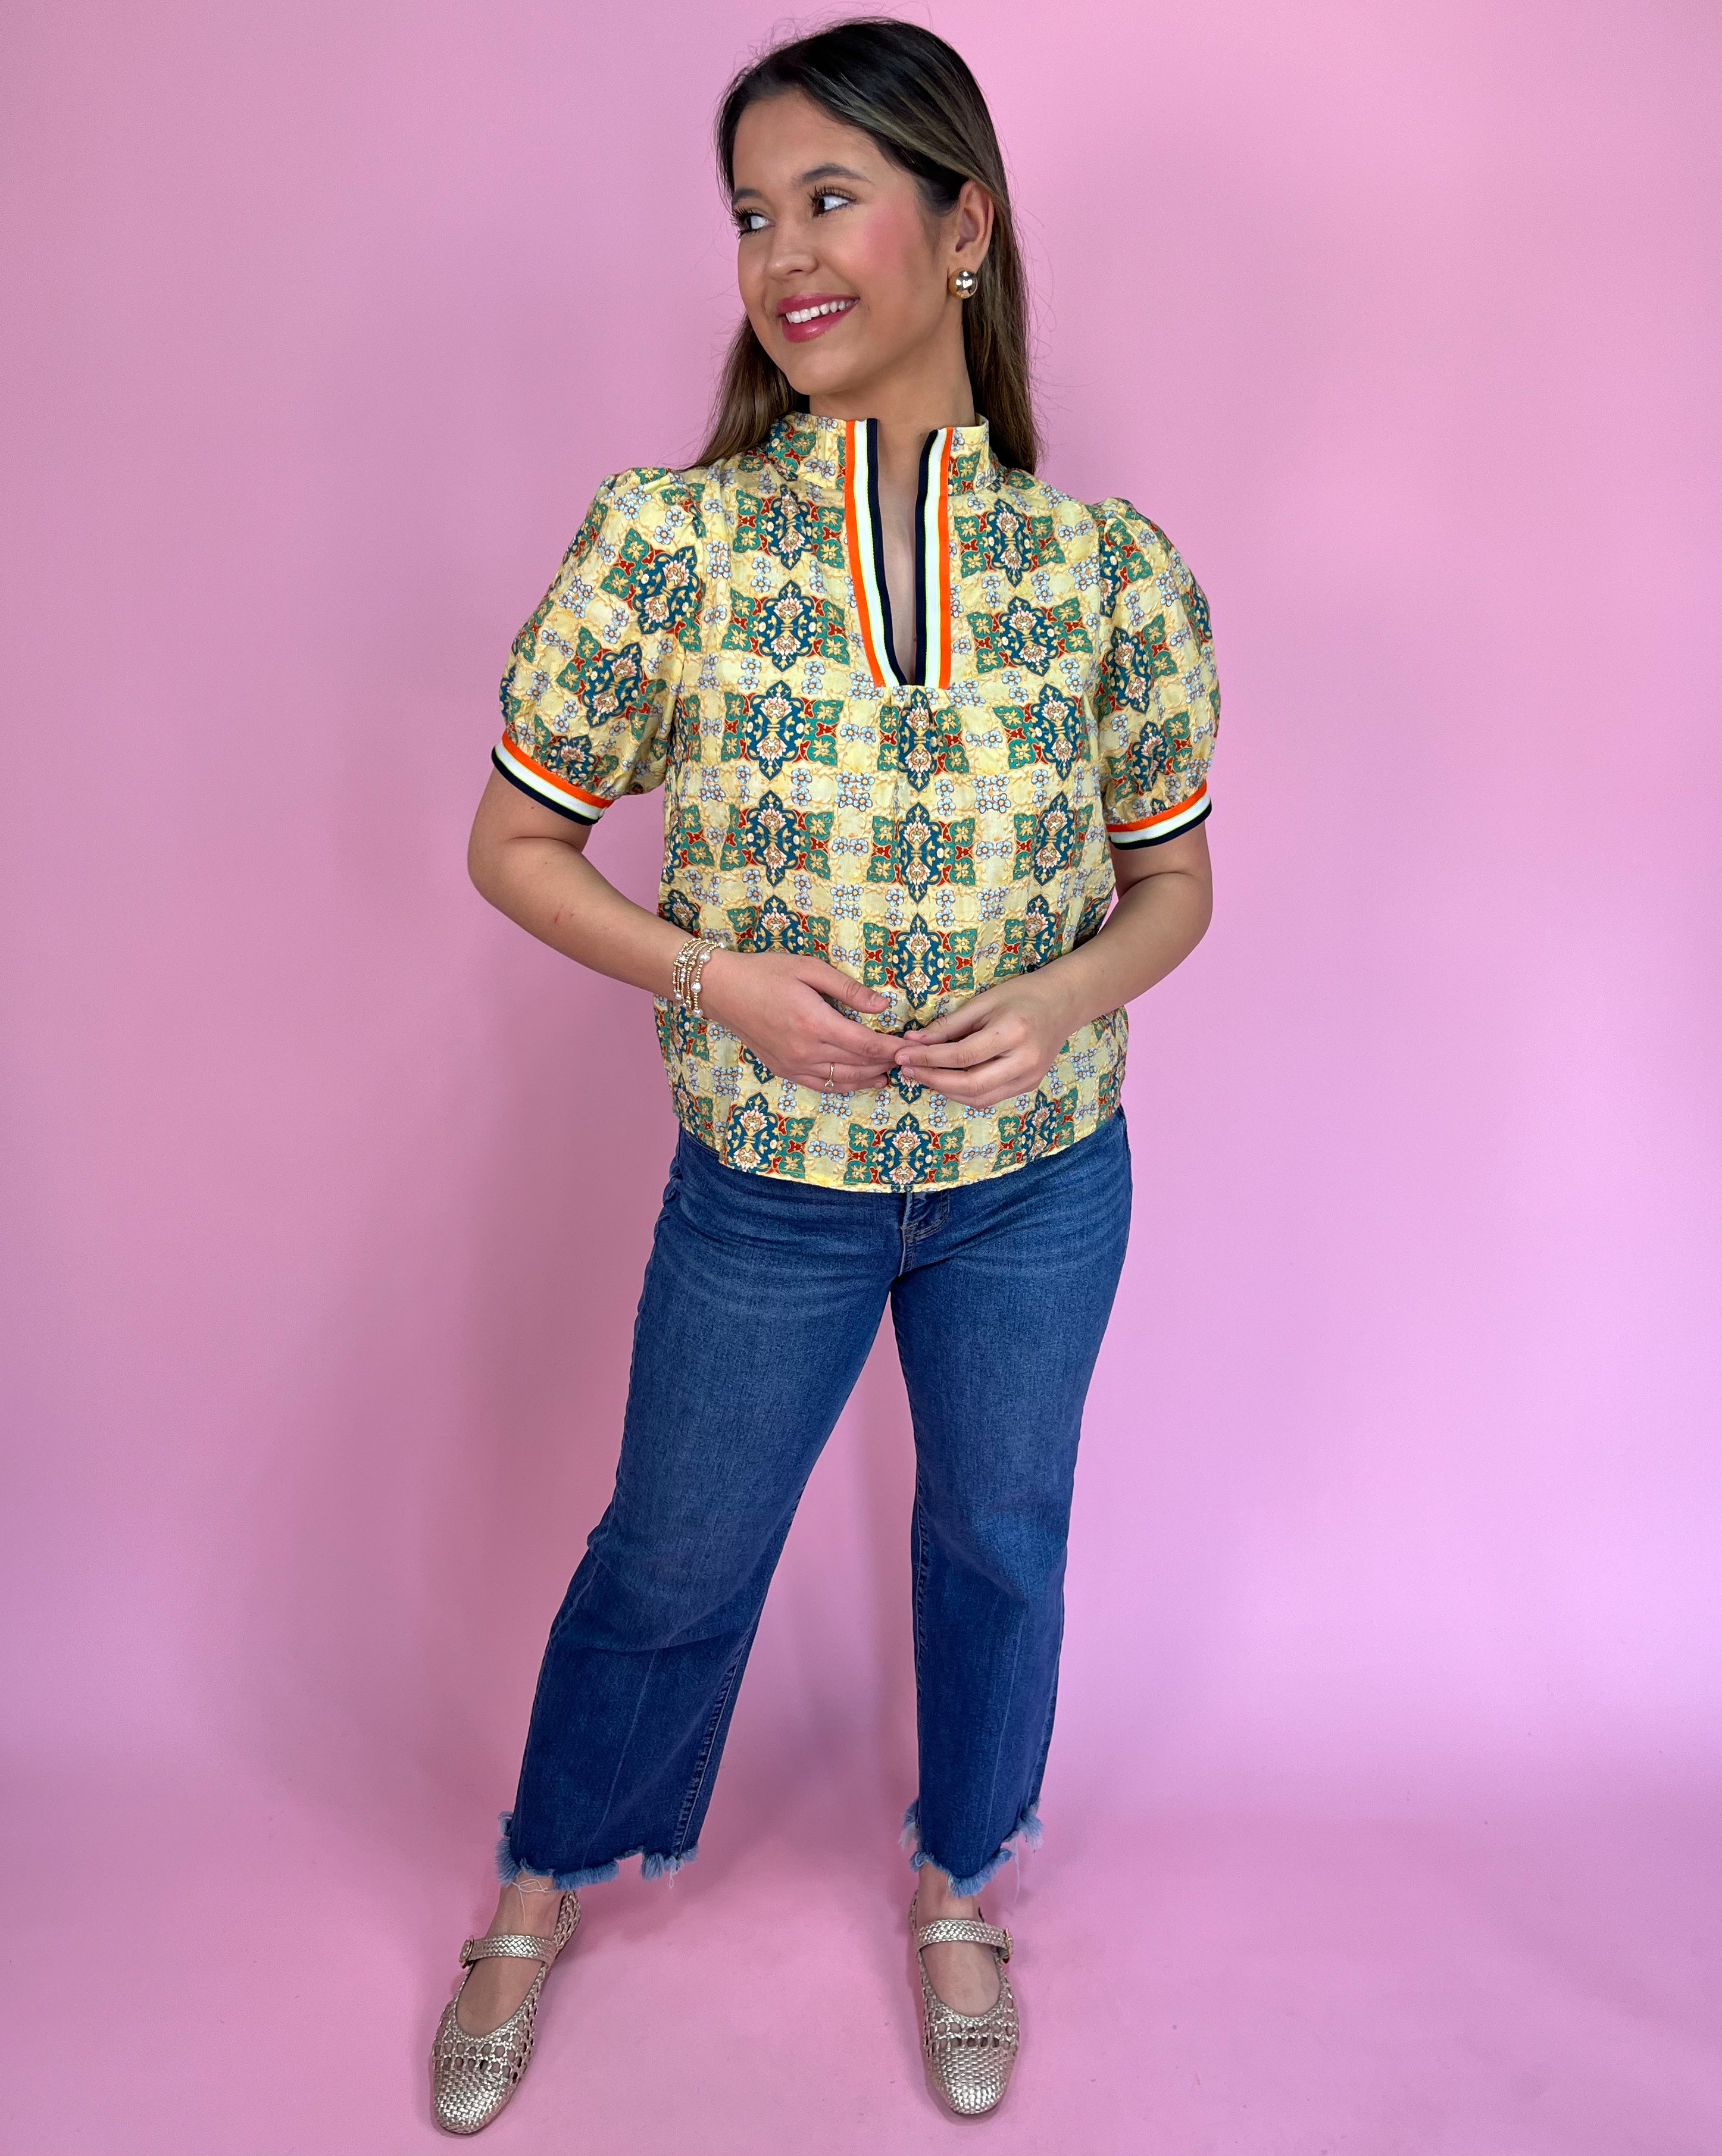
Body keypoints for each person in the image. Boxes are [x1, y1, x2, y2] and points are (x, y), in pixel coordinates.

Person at [429, 16, 1220, 2132]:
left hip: (1038, 1177)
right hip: (768, 1180)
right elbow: (514, 844)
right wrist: (717, 980)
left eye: (828, 199)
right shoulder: (669, 546)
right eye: (750, 214)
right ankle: (540, 1881)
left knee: (999, 1542)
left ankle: (961, 1880)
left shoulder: (1103, 570)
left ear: (961, 228)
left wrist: (1062, 998)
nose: (781, 255)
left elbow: (1173, 889)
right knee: (672, 1556)